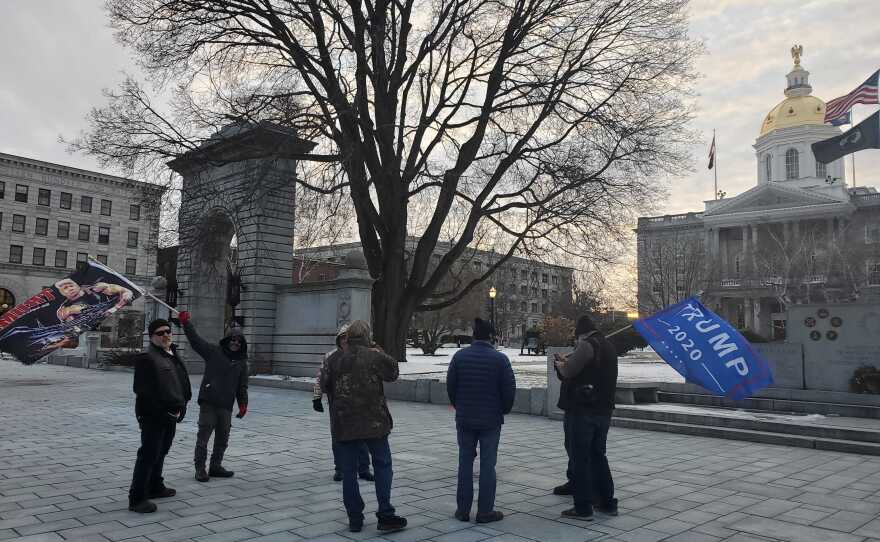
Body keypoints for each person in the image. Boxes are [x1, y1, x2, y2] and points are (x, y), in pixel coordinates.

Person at [322, 320, 407, 534]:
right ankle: (385, 514)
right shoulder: (374, 356)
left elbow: (324, 385)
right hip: (374, 422)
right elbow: (393, 373)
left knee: (349, 472)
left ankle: (355, 519)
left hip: (345, 422)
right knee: (383, 465)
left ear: (347, 337)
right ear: (368, 336)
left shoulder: (334, 359)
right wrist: (379, 349)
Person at [446, 318, 516, 524]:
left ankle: (462, 510)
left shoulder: (460, 357)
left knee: (464, 464)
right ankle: (485, 511)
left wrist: (460, 406)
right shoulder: (500, 360)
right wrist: (503, 410)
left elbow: (451, 386)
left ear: (474, 336)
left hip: (465, 418)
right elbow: (509, 390)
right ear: (492, 338)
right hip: (490, 419)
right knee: (487, 466)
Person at [552, 315, 619, 520]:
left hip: (583, 410)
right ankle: (607, 503)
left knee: (580, 458)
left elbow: (569, 372)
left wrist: (559, 364)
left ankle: (583, 507)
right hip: (603, 410)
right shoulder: (608, 346)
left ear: (581, 333)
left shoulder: (587, 345)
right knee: (599, 456)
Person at [128, 318, 192, 513]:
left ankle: (155, 486)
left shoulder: (171, 353)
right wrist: (162, 411)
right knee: (148, 455)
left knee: (161, 451)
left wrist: (181, 405)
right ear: (151, 336)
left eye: (167, 331)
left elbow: (179, 382)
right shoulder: (147, 358)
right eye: (160, 333)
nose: (165, 335)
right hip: (154, 415)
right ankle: (137, 498)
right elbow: (142, 390)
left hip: (171, 413)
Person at [177, 311, 249, 482]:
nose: (235, 343)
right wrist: (186, 324)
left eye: (238, 342)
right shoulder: (214, 352)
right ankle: (200, 468)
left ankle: (216, 466)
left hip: (226, 405)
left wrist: (243, 404)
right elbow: (196, 341)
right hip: (209, 402)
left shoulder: (241, 362)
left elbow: (242, 386)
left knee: (223, 438)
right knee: (204, 437)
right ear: (226, 341)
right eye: (232, 340)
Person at [313, 323, 374, 482]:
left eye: (348, 337)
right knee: (338, 437)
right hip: (338, 404)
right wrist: (316, 397)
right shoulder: (331, 357)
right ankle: (340, 468)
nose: (345, 341)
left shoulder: (363, 355)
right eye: (342, 338)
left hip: (360, 404)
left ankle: (363, 468)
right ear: (338, 340)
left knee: (362, 437)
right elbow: (321, 377)